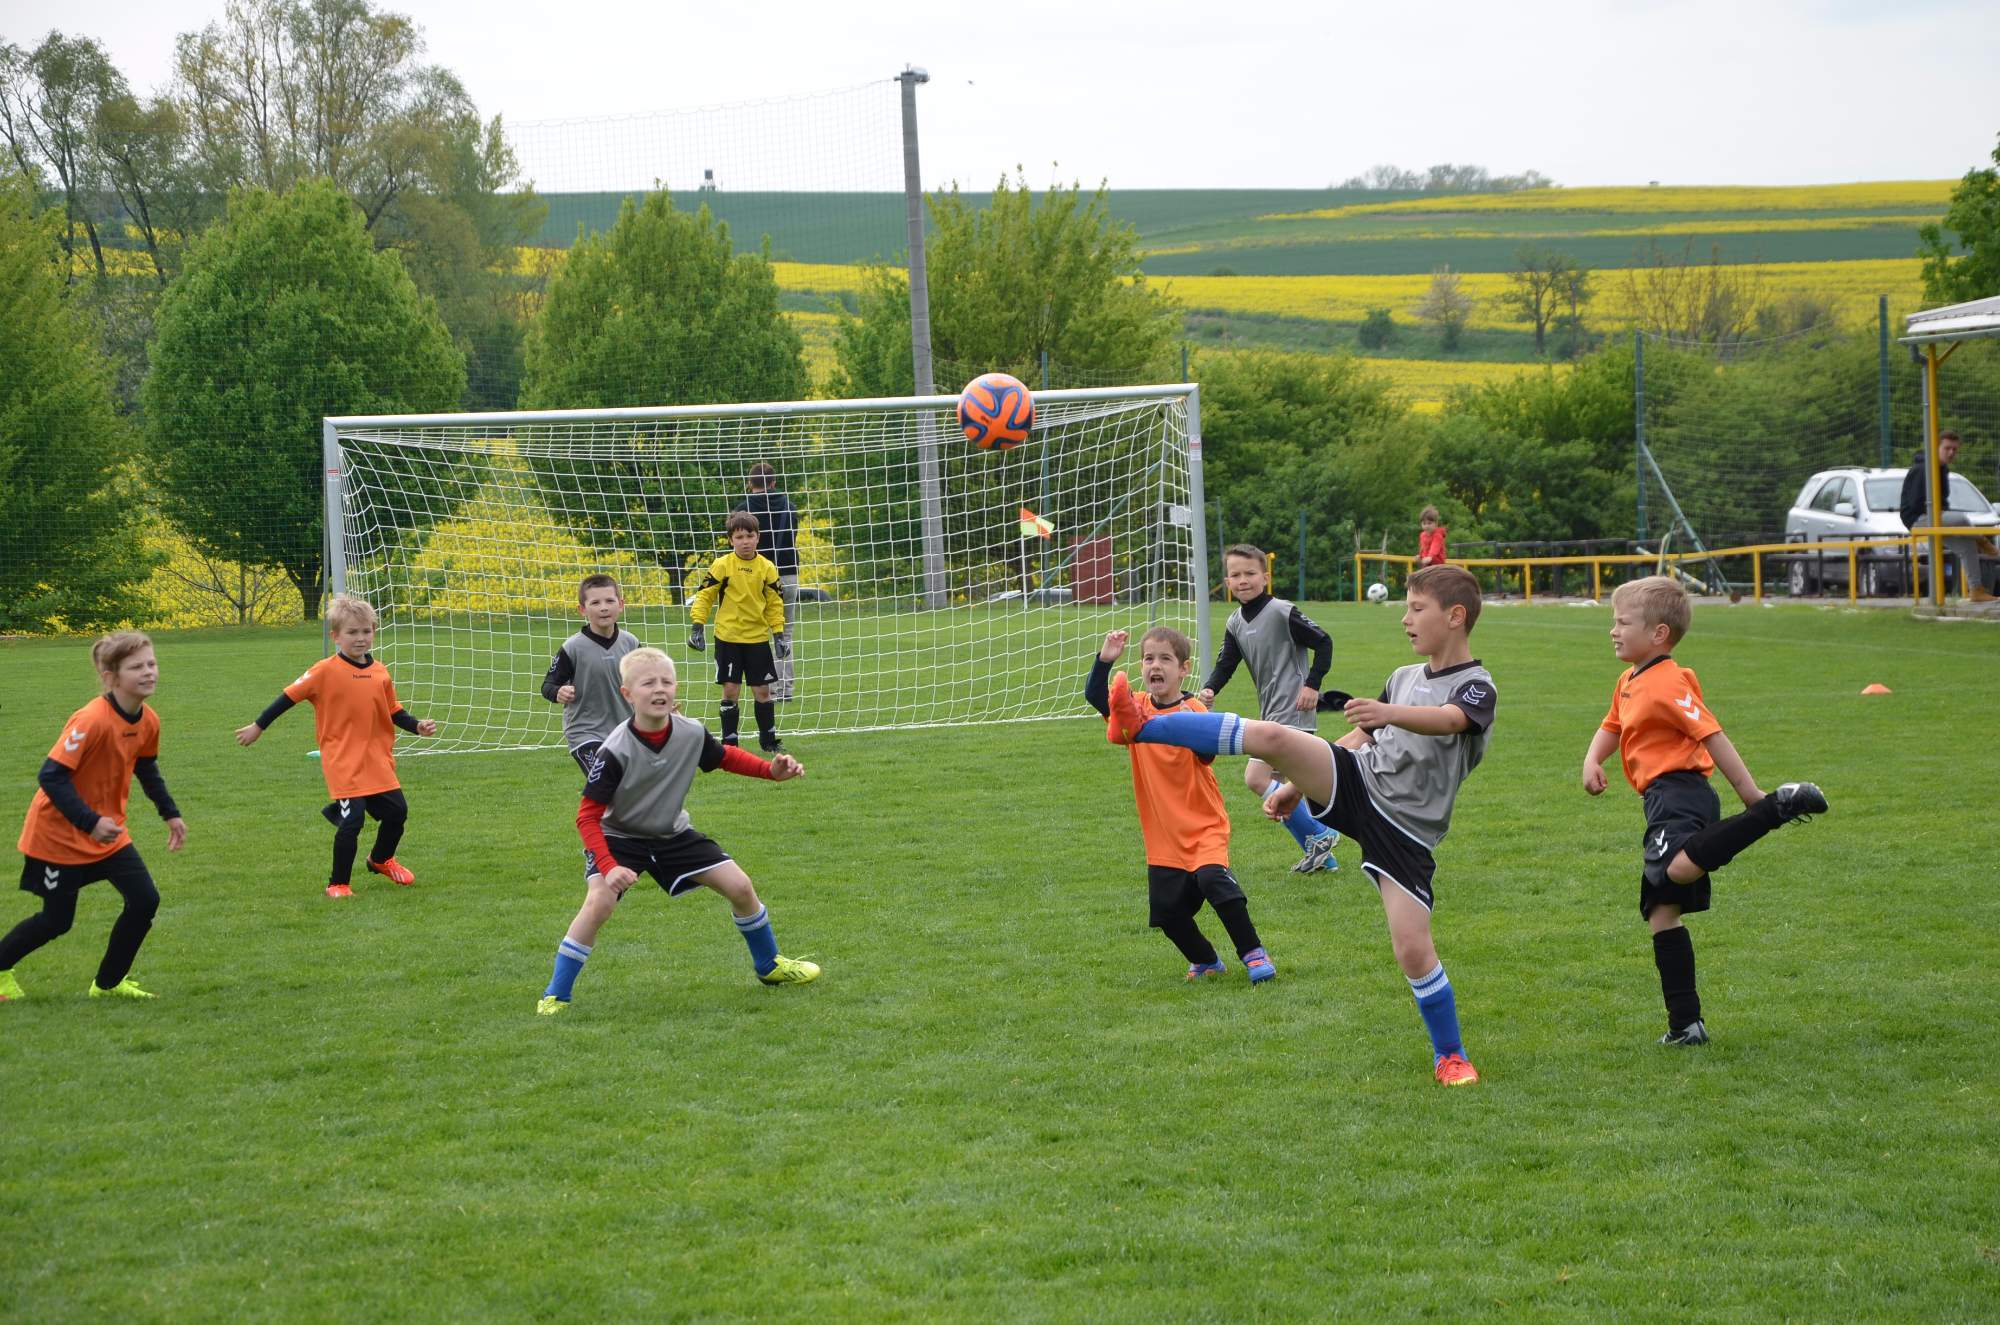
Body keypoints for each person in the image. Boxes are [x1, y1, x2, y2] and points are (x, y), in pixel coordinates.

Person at [1107, 565, 1497, 1086]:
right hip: (1359, 779)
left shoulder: (1476, 686)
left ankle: (1450, 1055)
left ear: (1455, 616)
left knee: (1411, 949)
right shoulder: (1403, 677)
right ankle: (1142, 725)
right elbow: (1361, 738)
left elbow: (1450, 719)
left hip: (1405, 829)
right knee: (1275, 740)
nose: (1405, 619)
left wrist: (1389, 712)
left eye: (1416, 609)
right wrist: (1295, 784)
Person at [1581, 576, 1827, 1046]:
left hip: (1681, 792)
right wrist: (1593, 759)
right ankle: (1685, 1026)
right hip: (1660, 799)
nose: (1613, 630)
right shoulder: (1629, 680)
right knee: (1661, 911)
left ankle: (1775, 808)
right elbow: (1612, 725)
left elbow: (1711, 734)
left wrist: (1752, 796)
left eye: (1623, 622)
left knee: (1676, 870)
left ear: (1658, 633)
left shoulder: (1668, 681)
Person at [537, 648, 820, 1014]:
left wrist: (770, 771)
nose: (659, 689)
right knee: (599, 903)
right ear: (627, 694)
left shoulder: (690, 732)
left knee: (740, 886)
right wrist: (609, 866)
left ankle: (769, 965)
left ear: (675, 689)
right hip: (619, 838)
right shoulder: (615, 750)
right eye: (648, 683)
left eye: (666, 682)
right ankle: (556, 994)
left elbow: (724, 757)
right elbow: (587, 817)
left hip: (671, 834)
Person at [1, 633, 186, 1003]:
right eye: (136, 667)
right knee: (56, 921)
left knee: (144, 900)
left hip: (108, 835)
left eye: (151, 663)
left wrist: (171, 813)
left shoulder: (148, 720)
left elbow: (146, 769)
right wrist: (90, 822)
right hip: (57, 837)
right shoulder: (91, 720)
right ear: (110, 677)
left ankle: (108, 984)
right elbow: (51, 776)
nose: (148, 672)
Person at [1088, 627, 1276, 984]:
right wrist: (1105, 660)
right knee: (1166, 914)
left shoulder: (1194, 709)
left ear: (1183, 669)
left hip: (1203, 824)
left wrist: (1192, 724)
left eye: (1165, 659)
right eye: (1148, 659)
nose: (1155, 666)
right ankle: (1206, 961)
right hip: (1163, 834)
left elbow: (1206, 754)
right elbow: (1097, 697)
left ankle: (1254, 953)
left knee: (1213, 879)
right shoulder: (1136, 709)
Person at [235, 594, 438, 898]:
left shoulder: (380, 671)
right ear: (336, 636)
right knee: (352, 820)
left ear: (374, 632)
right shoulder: (324, 671)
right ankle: (338, 883)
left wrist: (416, 726)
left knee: (397, 812)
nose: (360, 638)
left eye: (366, 631)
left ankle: (381, 859)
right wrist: (258, 726)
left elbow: (393, 710)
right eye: (352, 632)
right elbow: (288, 697)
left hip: (376, 759)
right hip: (342, 759)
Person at [1197, 544, 1344, 874]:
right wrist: (1210, 688)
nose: (1243, 580)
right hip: (1272, 711)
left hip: (1293, 708)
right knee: (1289, 783)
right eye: (1236, 575)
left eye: (1250, 573)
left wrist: (1312, 685)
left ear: (1265, 577)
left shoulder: (1281, 611)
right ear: (1227, 581)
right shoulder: (1235, 621)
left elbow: (1324, 642)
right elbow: (1227, 663)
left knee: (1256, 777)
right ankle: (1321, 852)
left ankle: (1321, 834)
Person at [688, 512, 789, 753]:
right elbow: (705, 596)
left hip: (757, 639)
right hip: (728, 638)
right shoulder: (722, 565)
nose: (745, 541)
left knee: (762, 691)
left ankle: (768, 741)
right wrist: (697, 626)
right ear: (731, 540)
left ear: (758, 537)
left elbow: (775, 604)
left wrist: (778, 634)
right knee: (731, 689)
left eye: (750, 536)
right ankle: (730, 744)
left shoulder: (767, 568)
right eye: (739, 537)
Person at [541, 573, 641, 777]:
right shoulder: (573, 647)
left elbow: (647, 681)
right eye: (595, 602)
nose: (604, 607)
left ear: (621, 605)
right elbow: (548, 685)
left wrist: (661, 704)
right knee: (606, 780)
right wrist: (558, 692)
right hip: (585, 733)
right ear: (582, 609)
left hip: (625, 730)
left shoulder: (631, 643)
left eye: (610, 601)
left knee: (631, 786)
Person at [1898, 430, 1996, 602]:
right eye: (1947, 448)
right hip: (1916, 519)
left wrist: (1943, 515)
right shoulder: (1922, 469)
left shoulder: (1942, 469)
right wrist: (1942, 516)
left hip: (1934, 517)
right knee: (1961, 519)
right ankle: (1982, 541)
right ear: (1936, 448)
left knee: (1967, 546)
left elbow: (1942, 501)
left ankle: (1976, 590)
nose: (1951, 453)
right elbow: (1914, 503)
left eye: (1954, 449)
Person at [734, 463, 800, 700]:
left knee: (758, 632)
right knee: (785, 632)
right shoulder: (790, 507)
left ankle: (767, 688)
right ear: (774, 482)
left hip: (756, 575)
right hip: (787, 573)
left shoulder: (742, 510)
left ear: (750, 483)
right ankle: (786, 689)